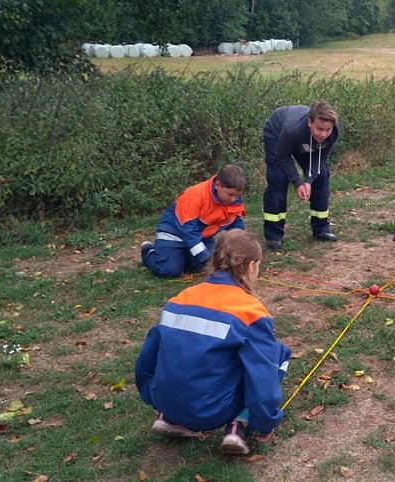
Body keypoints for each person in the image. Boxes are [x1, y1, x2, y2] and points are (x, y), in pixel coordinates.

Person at [135, 229, 291, 455]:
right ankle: (240, 423)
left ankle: (171, 417)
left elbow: (146, 360)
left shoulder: (179, 299)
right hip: (213, 411)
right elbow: (263, 379)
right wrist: (266, 423)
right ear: (251, 266)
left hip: (165, 400)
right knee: (278, 354)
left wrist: (155, 397)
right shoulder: (251, 312)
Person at [141, 165, 246, 278]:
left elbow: (237, 227)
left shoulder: (233, 200)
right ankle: (148, 250)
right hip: (174, 234)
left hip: (201, 237)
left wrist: (241, 250)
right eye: (230, 194)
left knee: (206, 266)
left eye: (237, 195)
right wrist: (204, 256)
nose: (234, 199)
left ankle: (182, 257)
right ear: (217, 185)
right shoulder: (195, 195)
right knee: (169, 271)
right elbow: (188, 231)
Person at [262, 100, 339, 251]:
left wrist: (308, 181)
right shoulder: (293, 129)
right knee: (278, 178)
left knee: (321, 175)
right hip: (277, 134)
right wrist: (298, 183)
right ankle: (273, 236)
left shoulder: (334, 131)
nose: (324, 134)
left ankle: (321, 230)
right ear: (310, 122)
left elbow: (321, 158)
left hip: (304, 142)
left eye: (327, 129)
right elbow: (282, 156)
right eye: (319, 129)